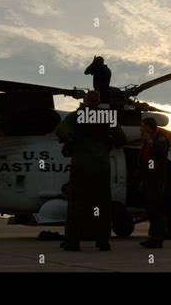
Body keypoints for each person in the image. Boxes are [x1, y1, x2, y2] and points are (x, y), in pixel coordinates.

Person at [55, 91, 126, 251]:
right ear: (99, 101)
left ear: (85, 101)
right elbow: (121, 139)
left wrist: (73, 140)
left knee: (76, 203)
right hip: (101, 165)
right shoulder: (107, 116)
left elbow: (60, 131)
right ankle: (103, 242)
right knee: (102, 204)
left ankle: (72, 242)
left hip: (81, 165)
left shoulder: (77, 115)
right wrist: (107, 144)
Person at [138, 117, 170, 248]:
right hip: (149, 178)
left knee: (157, 209)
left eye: (143, 126)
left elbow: (160, 153)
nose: (141, 129)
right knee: (151, 208)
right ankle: (153, 237)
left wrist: (150, 142)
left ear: (149, 127)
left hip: (157, 180)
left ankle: (158, 238)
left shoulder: (160, 139)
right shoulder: (147, 142)